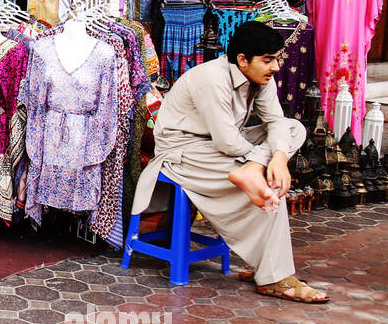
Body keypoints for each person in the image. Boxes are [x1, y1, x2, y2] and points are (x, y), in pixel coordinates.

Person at [130, 21, 328, 303]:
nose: (275, 67)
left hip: (225, 147)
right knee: (272, 189)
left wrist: (279, 158)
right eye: (268, 60)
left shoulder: (262, 78)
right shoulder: (211, 79)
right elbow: (226, 143)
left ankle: (252, 175)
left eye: (276, 60)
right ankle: (274, 276)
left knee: (294, 128)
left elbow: (275, 122)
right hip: (185, 151)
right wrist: (265, 160)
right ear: (243, 60)